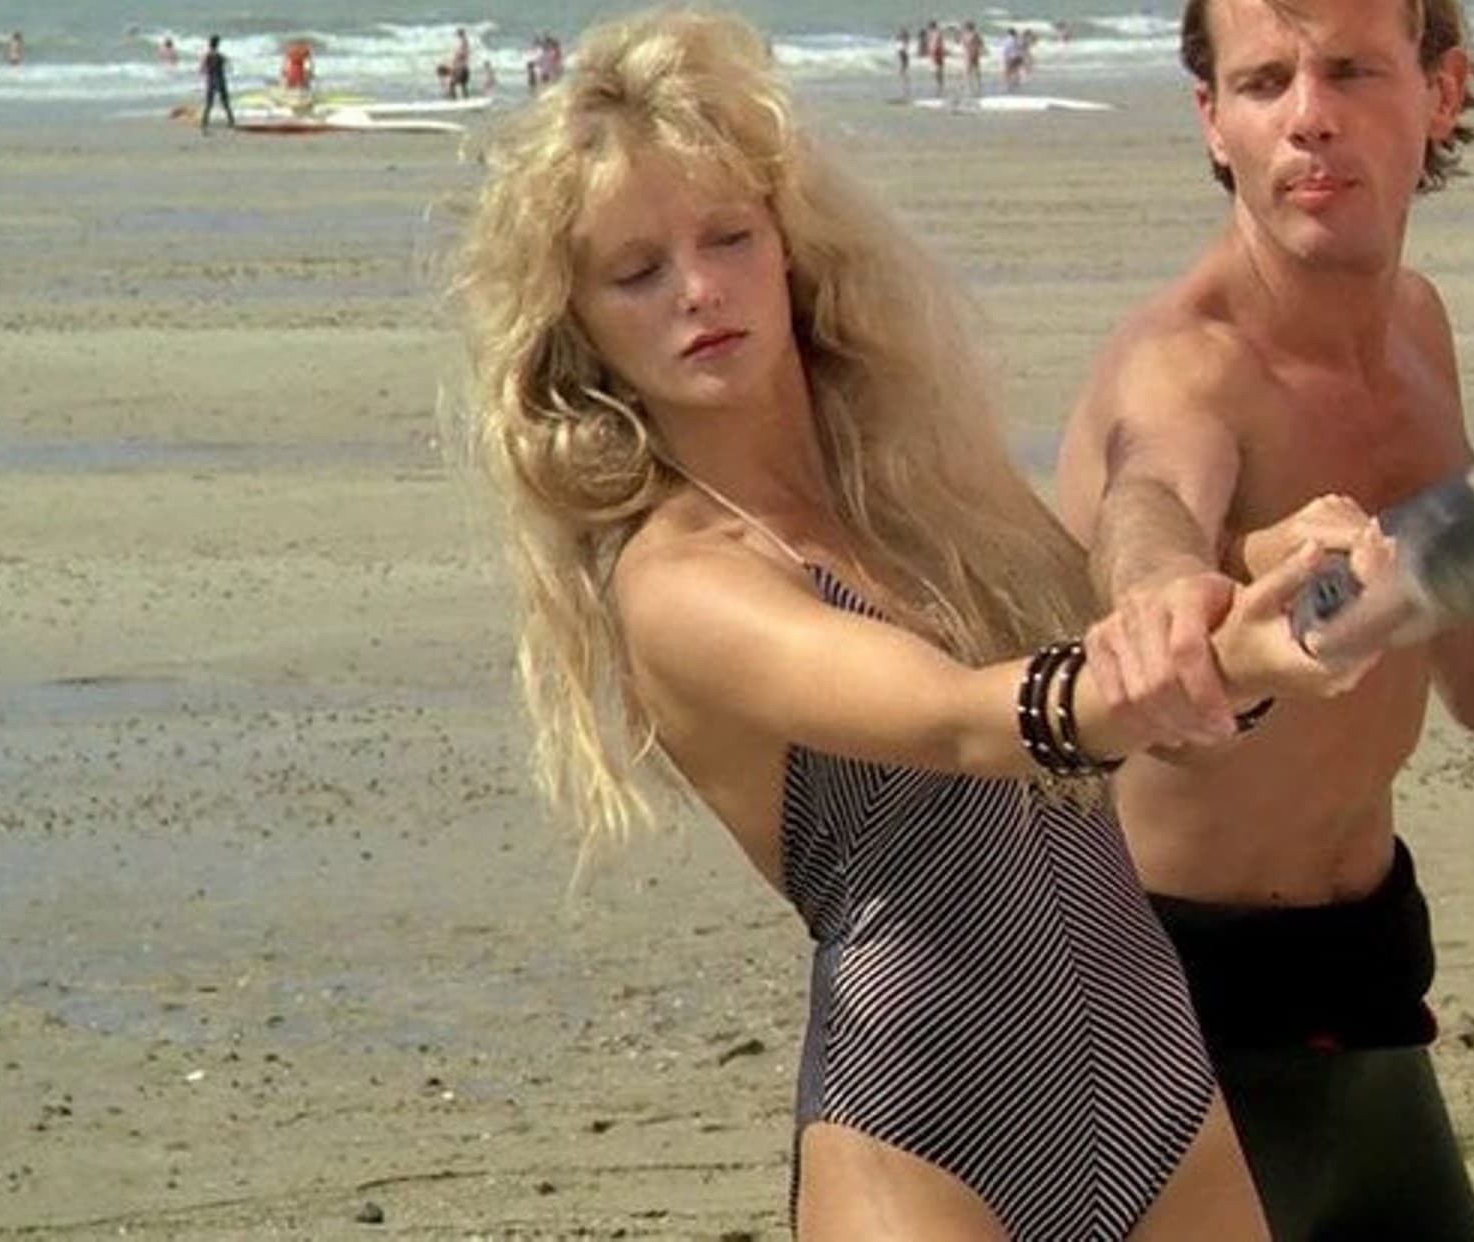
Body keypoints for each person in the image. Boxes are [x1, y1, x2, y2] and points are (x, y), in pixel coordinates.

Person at [452, 9, 1392, 1236]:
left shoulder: (921, 489)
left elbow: (1109, 648)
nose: (699, 290)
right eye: (637, 272)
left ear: (788, 248)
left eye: (728, 236)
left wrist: (1254, 579)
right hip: (920, 1130)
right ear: (580, 326)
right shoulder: (680, 581)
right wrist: (1208, 656)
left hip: (1158, 1079)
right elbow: (959, 722)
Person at [1053, 0, 1474, 1237]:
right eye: (1264, 81)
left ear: (1442, 93)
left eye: (1348, 70)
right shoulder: (1187, 364)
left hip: (1365, 973)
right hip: (1167, 1006)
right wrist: (1162, 597)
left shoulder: (1416, 329)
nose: (1308, 118)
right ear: (1211, 120)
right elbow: (1150, 495)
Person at [198, 35, 234, 134]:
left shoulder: (207, 56)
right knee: (225, 103)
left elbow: (201, 70)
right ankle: (231, 122)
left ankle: (204, 124)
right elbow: (230, 66)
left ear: (210, 44)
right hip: (220, 80)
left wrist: (207, 71)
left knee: (209, 104)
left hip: (211, 81)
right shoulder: (220, 56)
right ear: (217, 45)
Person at [448, 27, 473, 99]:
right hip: (463, 66)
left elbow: (463, 53)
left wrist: (457, 58)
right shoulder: (464, 42)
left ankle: (454, 99)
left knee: (453, 84)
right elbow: (464, 53)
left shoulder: (464, 42)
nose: (457, 35)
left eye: (458, 34)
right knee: (463, 84)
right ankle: (466, 98)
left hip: (461, 67)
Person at [896, 25, 912, 98]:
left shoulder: (903, 39)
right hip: (903, 54)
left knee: (902, 70)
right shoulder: (904, 39)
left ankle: (905, 85)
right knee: (903, 70)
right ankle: (905, 84)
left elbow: (902, 46)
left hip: (903, 54)